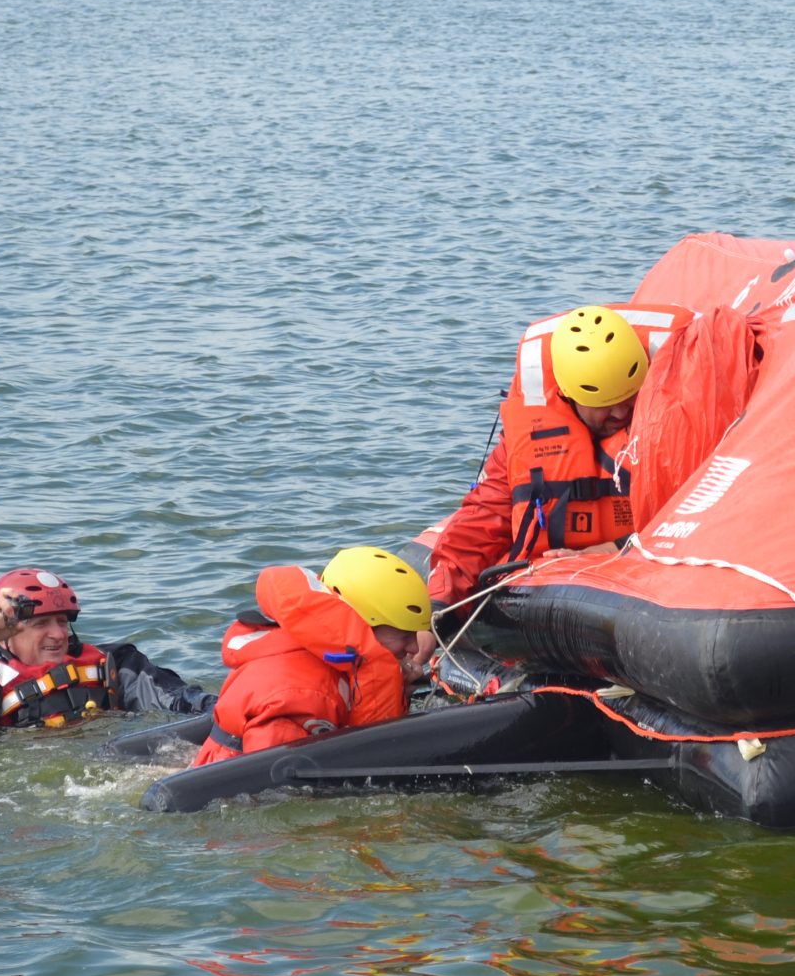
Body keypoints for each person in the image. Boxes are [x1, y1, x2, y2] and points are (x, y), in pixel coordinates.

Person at [426, 302, 688, 607]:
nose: (620, 412)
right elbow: (484, 518)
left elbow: (698, 516)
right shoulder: (525, 441)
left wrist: (613, 549)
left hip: (640, 573)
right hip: (552, 580)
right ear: (568, 396)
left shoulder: (675, 429)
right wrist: (440, 602)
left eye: (630, 398)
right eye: (605, 403)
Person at [193, 548, 434, 761]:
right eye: (404, 635)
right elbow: (273, 791)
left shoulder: (323, 662)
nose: (414, 648)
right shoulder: (304, 695)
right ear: (362, 625)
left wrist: (393, 689)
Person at [0, 567, 208, 733]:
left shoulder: (116, 665)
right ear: (2, 637)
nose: (58, 634)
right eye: (41, 623)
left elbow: (174, 698)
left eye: (62, 621)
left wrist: (214, 708)